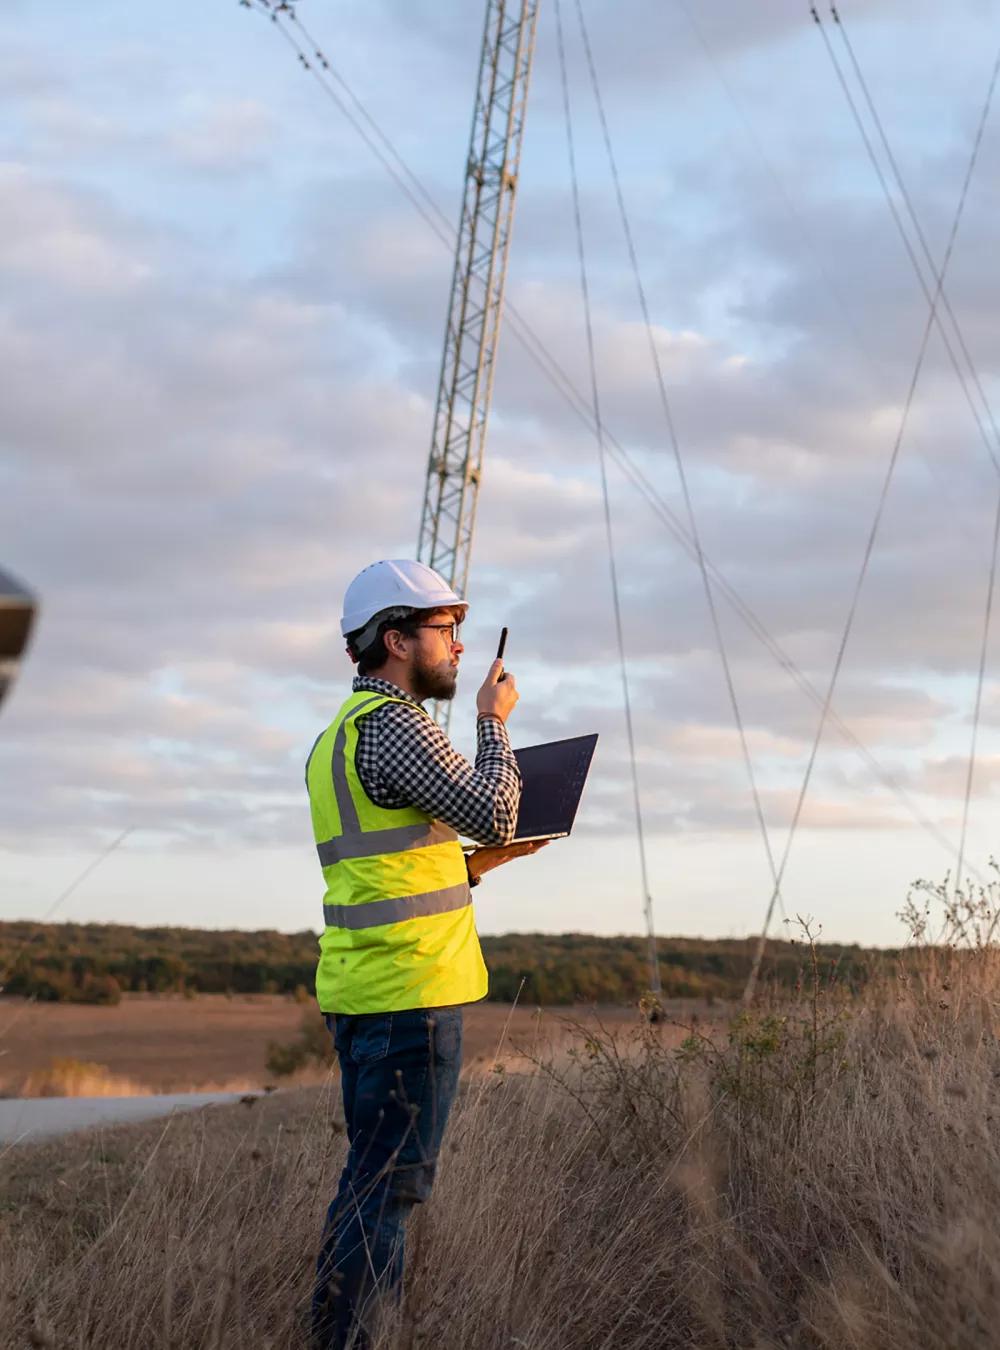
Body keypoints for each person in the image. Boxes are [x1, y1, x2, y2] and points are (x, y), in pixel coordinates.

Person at [307, 559, 544, 1349]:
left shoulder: (337, 738)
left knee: (371, 1184)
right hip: (408, 999)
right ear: (397, 639)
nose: (461, 647)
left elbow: (385, 870)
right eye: (447, 630)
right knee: (388, 1194)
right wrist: (494, 720)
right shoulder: (397, 725)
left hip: (367, 991)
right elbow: (496, 808)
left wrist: (474, 866)